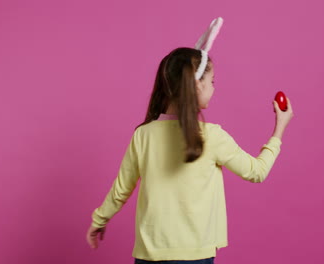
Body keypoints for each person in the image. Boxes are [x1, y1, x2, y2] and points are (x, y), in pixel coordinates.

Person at [86, 46, 294, 263]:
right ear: (197, 85)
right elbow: (257, 172)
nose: (214, 88)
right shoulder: (211, 136)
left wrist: (99, 220)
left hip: (149, 254)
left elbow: (122, 189)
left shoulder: (143, 135)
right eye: (212, 82)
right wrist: (279, 129)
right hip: (195, 255)